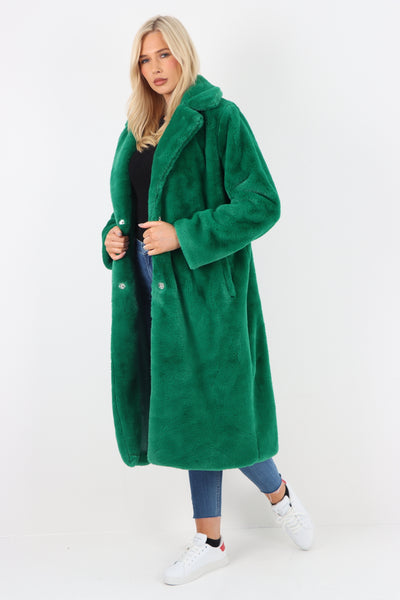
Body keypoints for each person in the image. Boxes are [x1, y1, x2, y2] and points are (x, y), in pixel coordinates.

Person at [102, 14, 314, 586]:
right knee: (192, 414)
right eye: (145, 59)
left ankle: (275, 500)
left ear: (183, 54)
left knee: (217, 412)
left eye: (163, 54)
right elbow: (131, 207)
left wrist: (185, 235)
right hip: (147, 288)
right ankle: (214, 538)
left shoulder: (220, 118)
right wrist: (111, 239)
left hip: (205, 289)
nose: (155, 68)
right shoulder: (138, 127)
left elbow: (261, 203)